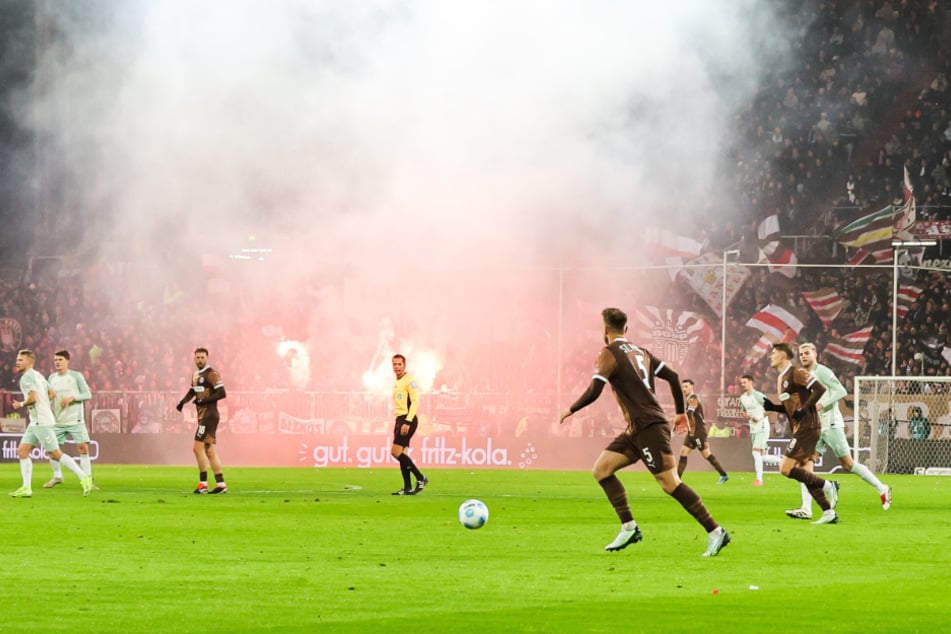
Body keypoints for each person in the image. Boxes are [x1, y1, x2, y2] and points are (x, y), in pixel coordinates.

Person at [559, 308, 730, 557]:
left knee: (670, 483)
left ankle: (716, 531)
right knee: (602, 469)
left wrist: (571, 408)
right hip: (638, 428)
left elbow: (595, 390)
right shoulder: (642, 352)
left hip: (648, 426)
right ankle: (629, 527)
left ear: (605, 329)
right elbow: (672, 376)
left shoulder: (609, 354)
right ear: (626, 329)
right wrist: (680, 412)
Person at [785, 343, 891, 517]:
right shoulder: (803, 376)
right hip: (815, 427)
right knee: (804, 465)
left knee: (847, 464)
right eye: (801, 354)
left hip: (831, 425)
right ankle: (806, 508)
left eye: (807, 353)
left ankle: (882, 487)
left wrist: (821, 404)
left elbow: (841, 391)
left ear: (815, 354)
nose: (803, 356)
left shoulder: (823, 372)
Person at [762, 343, 840, 525]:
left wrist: (804, 410)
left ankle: (828, 485)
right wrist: (773, 407)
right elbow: (791, 408)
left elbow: (820, 388)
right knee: (805, 471)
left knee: (785, 468)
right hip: (801, 427)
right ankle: (828, 512)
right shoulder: (781, 378)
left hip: (808, 426)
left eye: (773, 353)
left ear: (783, 356)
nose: (770, 356)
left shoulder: (796, 372)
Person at [8, 349, 92, 498]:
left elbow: (33, 398)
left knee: (54, 453)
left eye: (20, 360)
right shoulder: (38, 375)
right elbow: (52, 393)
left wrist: (21, 404)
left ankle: (84, 477)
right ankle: (26, 488)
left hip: (41, 421)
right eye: (17, 360)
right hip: (36, 421)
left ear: (29, 362)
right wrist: (44, 405)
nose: (17, 362)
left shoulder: (26, 378)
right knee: (22, 451)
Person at [176, 347, 228, 494]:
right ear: (194, 359)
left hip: (209, 416)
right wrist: (182, 402)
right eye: (197, 357)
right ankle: (221, 484)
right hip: (203, 416)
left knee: (197, 448)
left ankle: (203, 484)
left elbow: (222, 393)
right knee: (209, 450)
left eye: (202, 357)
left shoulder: (212, 374)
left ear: (207, 358)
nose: (200, 360)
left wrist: (204, 401)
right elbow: (193, 391)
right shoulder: (195, 375)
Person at [44, 350, 95, 489]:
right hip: (58, 420)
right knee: (52, 449)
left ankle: (88, 479)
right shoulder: (52, 378)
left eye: (60, 359)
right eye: (55, 360)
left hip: (75, 420)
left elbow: (87, 394)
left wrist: (72, 398)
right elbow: (49, 396)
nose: (57, 362)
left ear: (67, 361)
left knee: (83, 448)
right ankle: (57, 476)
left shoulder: (76, 376)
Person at [677, 379, 729, 484]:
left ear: (692, 387)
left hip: (697, 432)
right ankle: (677, 479)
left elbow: (690, 414)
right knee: (683, 452)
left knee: (706, 454)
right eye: (683, 387)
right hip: (693, 431)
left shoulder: (693, 399)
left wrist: (691, 431)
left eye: (686, 386)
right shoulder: (690, 399)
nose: (684, 389)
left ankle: (724, 474)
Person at [390, 353, 428, 495]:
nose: (397, 367)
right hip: (400, 418)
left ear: (404, 366)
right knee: (402, 454)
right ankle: (407, 487)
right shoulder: (397, 381)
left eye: (399, 364)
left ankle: (420, 477)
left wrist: (407, 421)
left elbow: (415, 402)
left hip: (407, 419)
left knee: (395, 452)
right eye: (394, 364)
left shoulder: (409, 381)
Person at [738, 374, 782, 486]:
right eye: (741, 383)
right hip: (753, 428)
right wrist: (745, 415)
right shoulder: (742, 398)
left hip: (762, 427)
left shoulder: (758, 396)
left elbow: (771, 409)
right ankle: (785, 462)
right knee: (763, 457)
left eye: (745, 382)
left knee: (755, 453)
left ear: (751, 382)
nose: (743, 384)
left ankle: (759, 480)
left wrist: (759, 417)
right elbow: (745, 411)